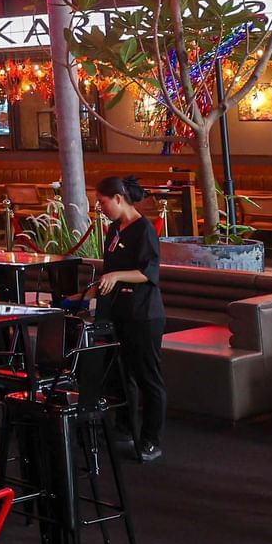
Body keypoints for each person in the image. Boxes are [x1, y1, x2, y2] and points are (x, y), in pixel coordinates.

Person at [93, 174, 166, 463]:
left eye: (102, 202)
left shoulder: (144, 229)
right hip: (119, 312)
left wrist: (116, 276)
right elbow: (110, 270)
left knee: (149, 377)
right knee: (121, 375)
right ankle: (124, 426)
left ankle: (151, 439)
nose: (100, 207)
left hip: (144, 314)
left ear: (118, 199)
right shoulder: (114, 230)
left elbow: (148, 274)